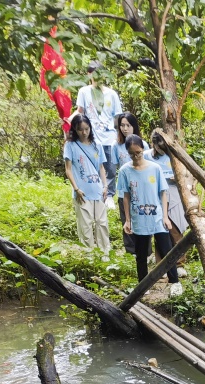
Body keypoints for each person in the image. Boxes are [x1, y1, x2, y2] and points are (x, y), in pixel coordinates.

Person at [116, 134, 183, 296]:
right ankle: (143, 285)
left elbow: (163, 192)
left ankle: (175, 282)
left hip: (157, 217)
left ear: (143, 149)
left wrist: (165, 217)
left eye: (138, 153)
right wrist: (127, 220)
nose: (136, 157)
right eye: (132, 154)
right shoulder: (125, 171)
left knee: (167, 251)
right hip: (139, 218)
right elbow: (126, 196)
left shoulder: (155, 168)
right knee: (141, 254)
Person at [63, 114, 110, 254]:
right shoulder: (70, 145)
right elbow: (68, 169)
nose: (84, 132)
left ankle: (105, 254)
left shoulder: (97, 145)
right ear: (75, 130)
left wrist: (105, 186)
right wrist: (76, 189)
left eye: (86, 129)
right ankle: (88, 255)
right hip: (82, 192)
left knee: (102, 223)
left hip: (98, 190)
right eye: (80, 129)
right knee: (85, 225)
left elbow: (101, 167)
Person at [74, 62, 122, 198]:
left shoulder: (112, 94)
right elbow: (80, 111)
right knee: (93, 166)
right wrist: (68, 120)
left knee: (110, 168)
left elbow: (117, 117)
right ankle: (96, 193)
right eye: (93, 73)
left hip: (109, 137)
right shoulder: (84, 91)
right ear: (89, 74)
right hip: (90, 136)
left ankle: (109, 196)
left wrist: (118, 135)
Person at [148, 129, 190, 276]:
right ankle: (161, 266)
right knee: (160, 231)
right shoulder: (147, 156)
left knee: (176, 230)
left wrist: (177, 178)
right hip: (156, 195)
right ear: (153, 144)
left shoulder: (174, 155)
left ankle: (179, 264)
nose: (161, 150)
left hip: (174, 194)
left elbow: (186, 174)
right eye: (159, 147)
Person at [113, 112, 146, 255]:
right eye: (122, 125)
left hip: (141, 189)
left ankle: (145, 251)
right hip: (124, 189)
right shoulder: (116, 146)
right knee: (126, 220)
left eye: (128, 125)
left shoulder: (143, 145)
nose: (125, 128)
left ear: (134, 126)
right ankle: (131, 251)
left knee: (142, 218)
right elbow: (114, 168)